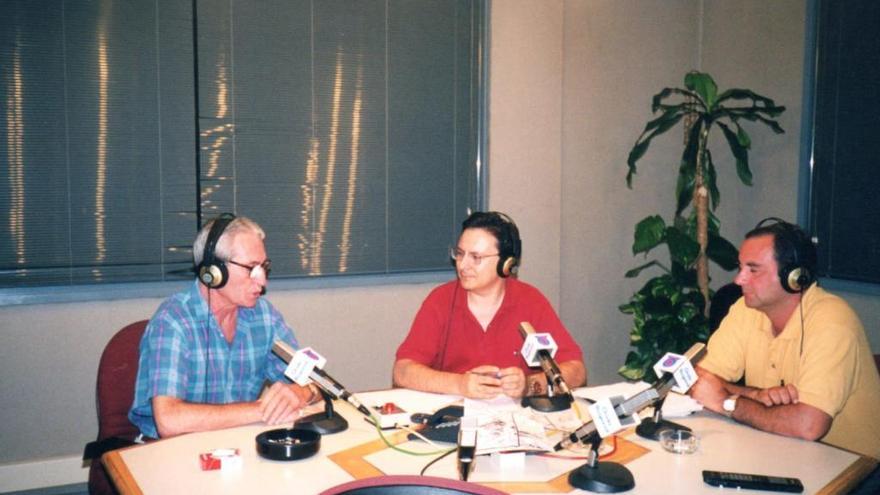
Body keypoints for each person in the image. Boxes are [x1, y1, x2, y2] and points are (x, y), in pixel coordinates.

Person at [690, 218, 880, 459]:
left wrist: (727, 401)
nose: (739, 280)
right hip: (784, 449)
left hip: (856, 470)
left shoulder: (832, 321)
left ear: (794, 277)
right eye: (741, 268)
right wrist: (755, 395)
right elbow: (699, 380)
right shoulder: (746, 309)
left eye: (753, 269)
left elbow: (809, 425)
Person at [129, 213, 317, 438]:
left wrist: (301, 392)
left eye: (264, 267)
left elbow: (316, 382)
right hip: (172, 452)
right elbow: (169, 421)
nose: (263, 280)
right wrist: (262, 409)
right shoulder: (173, 320)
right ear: (214, 272)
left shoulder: (264, 317)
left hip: (236, 447)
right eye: (251, 268)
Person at [393, 211, 586, 400]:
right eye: (460, 254)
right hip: (456, 418)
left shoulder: (531, 300)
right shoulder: (440, 300)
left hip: (517, 422)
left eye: (476, 257)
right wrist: (460, 384)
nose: (462, 265)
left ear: (506, 264)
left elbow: (576, 371)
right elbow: (402, 371)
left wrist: (529, 385)